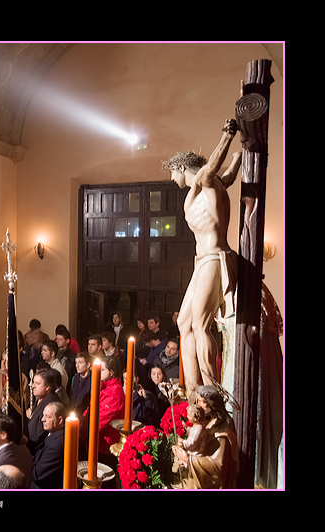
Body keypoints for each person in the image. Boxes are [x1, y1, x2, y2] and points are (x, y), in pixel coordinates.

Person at [162, 119, 242, 398]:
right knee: (184, 323)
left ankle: (211, 391)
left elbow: (212, 167)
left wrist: (227, 136)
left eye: (173, 173)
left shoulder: (205, 180)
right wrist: (240, 155)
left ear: (182, 168)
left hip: (213, 258)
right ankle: (192, 389)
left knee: (200, 324)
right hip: (201, 262)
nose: (173, 180)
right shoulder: (214, 185)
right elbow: (229, 175)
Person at [172, 384, 239, 488]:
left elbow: (218, 467)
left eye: (201, 401)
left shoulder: (222, 432)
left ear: (211, 404)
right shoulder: (210, 422)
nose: (198, 405)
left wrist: (189, 460)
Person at [82, 356, 125, 478]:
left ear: (111, 373)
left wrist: (82, 432)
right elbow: (91, 408)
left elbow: (100, 421)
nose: (98, 373)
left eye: (102, 370)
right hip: (97, 441)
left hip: (105, 445)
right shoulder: (105, 387)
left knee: (103, 478)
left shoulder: (114, 392)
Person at [25, 368, 62, 456]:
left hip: (37, 451)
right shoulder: (41, 398)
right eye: (33, 382)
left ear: (47, 387)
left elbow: (41, 434)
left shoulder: (51, 404)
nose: (32, 386)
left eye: (37, 383)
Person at [30, 401, 66, 489]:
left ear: (60, 420)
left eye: (48, 417)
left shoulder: (56, 446)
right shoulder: (51, 433)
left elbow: (37, 474)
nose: (42, 419)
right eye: (43, 415)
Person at [69, 352, 92, 419]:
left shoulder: (93, 380)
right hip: (74, 414)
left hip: (85, 416)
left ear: (88, 364)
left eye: (80, 362)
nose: (77, 365)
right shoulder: (76, 377)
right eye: (76, 362)